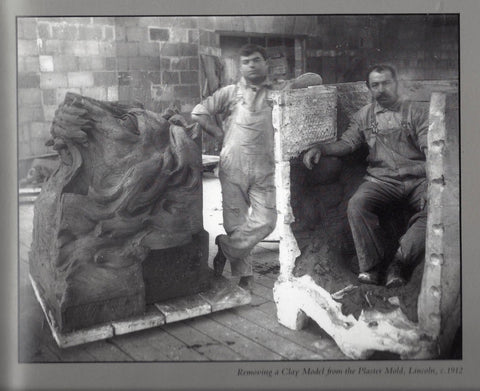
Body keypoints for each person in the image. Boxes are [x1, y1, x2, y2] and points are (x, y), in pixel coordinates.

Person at [303, 64, 429, 288]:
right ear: (369, 89)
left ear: (397, 83)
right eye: (375, 85)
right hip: (382, 181)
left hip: (418, 179)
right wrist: (321, 148)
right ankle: (372, 267)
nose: (381, 89)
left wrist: (433, 186)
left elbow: (432, 151)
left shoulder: (416, 112)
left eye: (386, 83)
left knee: (435, 209)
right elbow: (347, 143)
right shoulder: (365, 116)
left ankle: (399, 262)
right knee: (357, 204)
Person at [191, 44, 280, 291]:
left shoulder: (276, 95)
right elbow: (199, 113)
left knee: (266, 221)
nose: (251, 65)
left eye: (257, 60)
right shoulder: (230, 93)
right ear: (240, 66)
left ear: (266, 64)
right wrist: (220, 134)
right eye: (246, 61)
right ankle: (245, 277)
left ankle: (225, 245)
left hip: (264, 168)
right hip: (234, 165)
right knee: (236, 222)